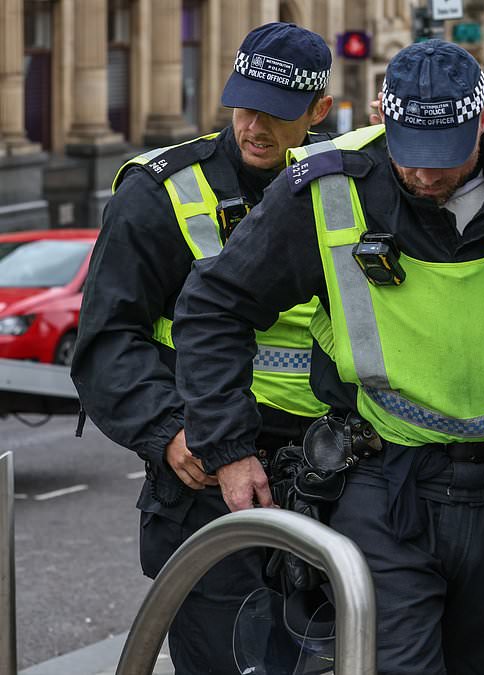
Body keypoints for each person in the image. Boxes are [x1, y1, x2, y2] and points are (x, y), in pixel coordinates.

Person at [172, 40, 484, 674]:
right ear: (381, 114)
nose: (427, 177)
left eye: (445, 158)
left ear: (483, 121)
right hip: (384, 479)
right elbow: (214, 303)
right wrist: (228, 446)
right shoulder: (329, 187)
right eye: (411, 158)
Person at [71, 22, 333, 674]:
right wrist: (169, 434)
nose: (254, 128)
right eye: (243, 106)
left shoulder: (345, 180)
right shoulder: (159, 194)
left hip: (334, 473)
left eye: (276, 115)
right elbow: (106, 343)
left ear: (319, 111)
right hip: (206, 478)